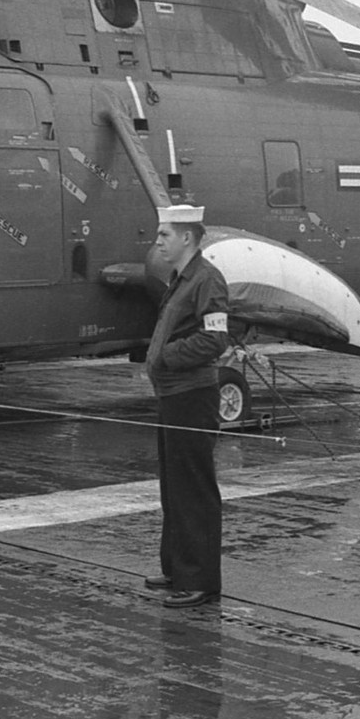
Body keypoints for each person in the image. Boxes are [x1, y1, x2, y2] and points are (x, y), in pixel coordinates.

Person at [143, 204, 230, 609]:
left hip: (192, 395)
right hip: (172, 395)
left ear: (186, 239)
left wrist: (167, 357)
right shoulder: (181, 279)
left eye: (164, 235)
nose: (157, 241)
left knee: (193, 488)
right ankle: (177, 568)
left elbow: (215, 341)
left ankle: (200, 581)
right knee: (173, 486)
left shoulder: (207, 281)